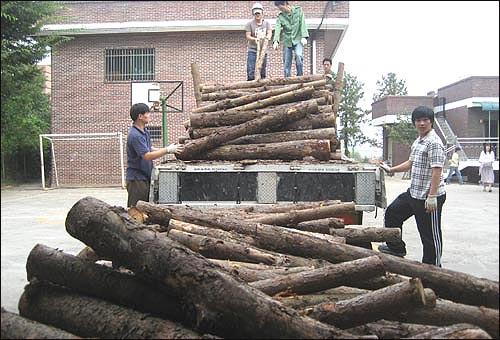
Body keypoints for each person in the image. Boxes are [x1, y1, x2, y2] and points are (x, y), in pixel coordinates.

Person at [378, 106, 446, 267]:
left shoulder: (434, 142)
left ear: (431, 122)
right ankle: (396, 248)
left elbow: (437, 170)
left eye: (425, 120)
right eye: (418, 120)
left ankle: (433, 270)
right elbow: (411, 162)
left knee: (429, 236)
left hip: (429, 197)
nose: (422, 123)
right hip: (414, 193)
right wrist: (391, 169)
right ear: (414, 122)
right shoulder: (419, 140)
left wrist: (432, 196)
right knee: (393, 213)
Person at [126, 103, 184, 208]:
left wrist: (168, 149)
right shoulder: (135, 135)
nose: (149, 115)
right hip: (137, 180)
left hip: (145, 177)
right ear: (140, 116)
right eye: (147, 113)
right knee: (136, 211)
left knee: (146, 210)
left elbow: (149, 148)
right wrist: (166, 150)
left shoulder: (145, 132)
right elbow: (147, 156)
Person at [272, 1, 309, 77]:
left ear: (285, 4)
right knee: (286, 63)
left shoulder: (299, 11)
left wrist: (304, 36)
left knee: (299, 56)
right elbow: (277, 28)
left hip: (297, 39)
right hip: (287, 41)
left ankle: (300, 76)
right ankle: (287, 81)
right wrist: (276, 41)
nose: (281, 10)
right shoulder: (280, 16)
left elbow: (303, 23)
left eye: (281, 8)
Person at [245, 3, 272, 81]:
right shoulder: (249, 24)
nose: (257, 15)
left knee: (262, 70)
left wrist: (268, 37)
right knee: (251, 70)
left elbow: (269, 32)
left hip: (263, 51)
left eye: (259, 13)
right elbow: (248, 36)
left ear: (262, 13)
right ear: (253, 14)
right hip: (252, 50)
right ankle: (251, 85)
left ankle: (262, 86)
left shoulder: (267, 23)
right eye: (256, 13)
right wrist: (254, 39)